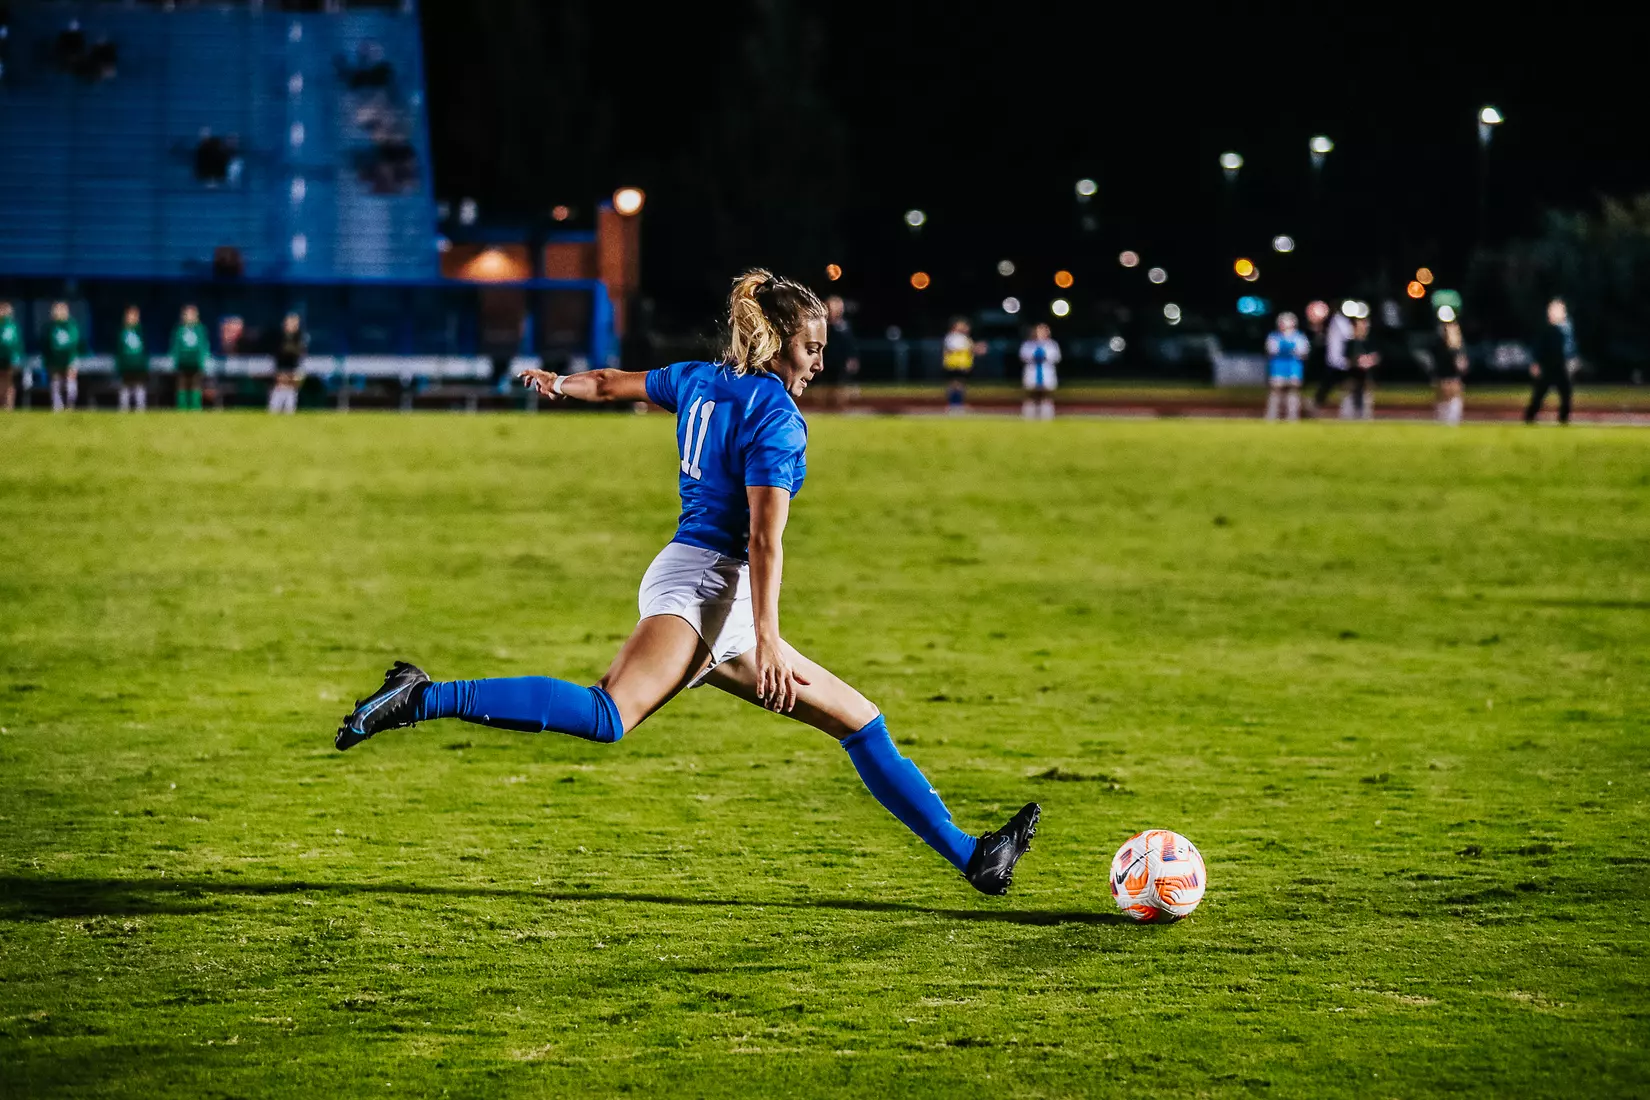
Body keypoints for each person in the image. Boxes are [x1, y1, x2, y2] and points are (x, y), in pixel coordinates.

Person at [334, 270, 1041, 896]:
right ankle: (422, 697)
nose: (821, 363)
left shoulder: (701, 380)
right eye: (812, 349)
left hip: (703, 582)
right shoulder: (777, 419)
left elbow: (612, 383)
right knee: (610, 714)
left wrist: (559, 385)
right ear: (775, 344)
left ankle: (975, 857)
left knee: (860, 722)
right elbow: (763, 541)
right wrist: (766, 641)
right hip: (707, 587)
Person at [1525, 298, 1578, 425]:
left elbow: (1570, 347)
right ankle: (1530, 417)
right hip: (1548, 366)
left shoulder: (1567, 328)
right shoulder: (1546, 328)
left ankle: (1563, 419)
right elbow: (1538, 346)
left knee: (1566, 394)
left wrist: (1572, 360)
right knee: (1539, 393)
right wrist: (1535, 363)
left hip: (1561, 366)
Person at [1308, 306, 1354, 416]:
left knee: (1337, 385)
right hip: (1336, 360)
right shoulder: (1337, 321)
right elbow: (1348, 334)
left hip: (1338, 360)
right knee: (1331, 384)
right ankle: (1317, 405)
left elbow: (1347, 335)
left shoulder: (1336, 321)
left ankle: (1318, 405)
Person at [1263, 312, 1309, 421]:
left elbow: (1303, 352)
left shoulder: (1299, 337)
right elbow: (1271, 351)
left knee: (1293, 394)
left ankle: (1292, 417)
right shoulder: (1274, 336)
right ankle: (1272, 416)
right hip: (1277, 369)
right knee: (1275, 394)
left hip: (1294, 369)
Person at [818, 295, 859, 409]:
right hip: (826, 360)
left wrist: (852, 359)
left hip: (839, 361)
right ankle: (825, 408)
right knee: (825, 385)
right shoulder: (823, 325)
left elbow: (850, 345)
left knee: (840, 385)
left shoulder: (844, 326)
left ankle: (839, 408)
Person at [41, 301, 84, 412]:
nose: (58, 313)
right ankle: (57, 407)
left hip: (69, 359)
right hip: (54, 360)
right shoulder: (49, 327)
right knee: (56, 383)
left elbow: (74, 342)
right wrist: (48, 359)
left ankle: (70, 406)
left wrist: (64, 353)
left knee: (70, 383)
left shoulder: (71, 325)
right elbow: (45, 344)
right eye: (56, 310)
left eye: (61, 310)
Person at [941, 316, 985, 414]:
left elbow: (969, 349)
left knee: (960, 385)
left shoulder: (964, 337)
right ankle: (953, 405)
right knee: (955, 385)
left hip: (962, 365)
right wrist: (976, 348)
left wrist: (976, 349)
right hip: (954, 364)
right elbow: (958, 348)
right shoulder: (952, 336)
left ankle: (958, 404)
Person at [1019, 323, 1060, 420]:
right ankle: (1029, 417)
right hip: (1032, 373)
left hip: (1046, 374)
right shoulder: (1028, 344)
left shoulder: (1052, 345)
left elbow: (1055, 357)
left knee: (1046, 397)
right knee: (1031, 397)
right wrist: (1035, 355)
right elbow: (1023, 356)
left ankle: (1046, 417)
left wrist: (1044, 355)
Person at [171, 304, 209, 410]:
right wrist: (175, 360)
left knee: (196, 385)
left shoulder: (200, 329)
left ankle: (195, 407)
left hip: (195, 363)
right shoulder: (179, 330)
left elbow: (203, 346)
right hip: (183, 363)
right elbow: (175, 346)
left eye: (192, 314)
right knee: (181, 385)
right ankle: (182, 407)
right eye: (187, 314)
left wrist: (202, 360)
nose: (190, 316)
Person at [1431, 319, 1468, 426]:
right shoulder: (1440, 345)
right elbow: (1461, 365)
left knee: (1452, 403)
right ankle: (1445, 423)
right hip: (1444, 379)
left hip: (1451, 379)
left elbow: (1462, 366)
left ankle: (1450, 423)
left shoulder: (1458, 347)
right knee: (1444, 404)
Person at [269, 312, 305, 414]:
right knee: (279, 388)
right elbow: (278, 352)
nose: (292, 325)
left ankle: (290, 411)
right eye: (289, 322)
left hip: (294, 367)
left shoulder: (300, 337)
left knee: (291, 389)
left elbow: (299, 353)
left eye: (294, 323)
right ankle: (274, 410)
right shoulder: (279, 337)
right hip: (280, 367)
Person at [114, 305, 149, 412]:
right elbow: (118, 351)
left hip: (139, 367)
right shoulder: (122, 333)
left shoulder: (142, 333)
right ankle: (124, 411)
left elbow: (145, 351)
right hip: (125, 367)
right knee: (125, 390)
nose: (132, 318)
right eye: (130, 315)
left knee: (139, 389)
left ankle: (140, 411)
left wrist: (144, 366)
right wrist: (119, 366)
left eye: (135, 316)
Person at [1346, 317, 1379, 419]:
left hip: (1366, 377)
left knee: (1366, 400)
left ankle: (1365, 417)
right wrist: (1358, 362)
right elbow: (1347, 359)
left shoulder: (1370, 342)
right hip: (1353, 377)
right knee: (1351, 399)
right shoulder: (1351, 343)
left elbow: (1376, 357)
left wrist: (1369, 361)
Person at [0, 302, 23, 411]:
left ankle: (9, 406)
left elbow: (17, 343)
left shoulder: (13, 326)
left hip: (9, 359)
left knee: (9, 382)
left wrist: (17, 358)